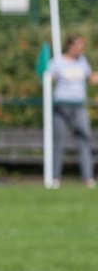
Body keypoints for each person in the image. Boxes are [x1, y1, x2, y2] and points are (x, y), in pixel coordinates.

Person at [48, 34, 98, 188]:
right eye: (78, 46)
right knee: (59, 141)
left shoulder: (82, 62)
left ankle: (88, 177)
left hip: (79, 106)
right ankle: (55, 177)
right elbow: (48, 78)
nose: (81, 50)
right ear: (70, 46)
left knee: (85, 139)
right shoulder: (57, 61)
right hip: (61, 106)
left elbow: (91, 78)